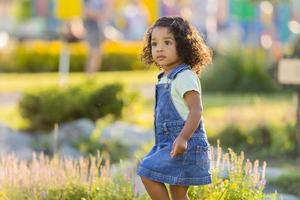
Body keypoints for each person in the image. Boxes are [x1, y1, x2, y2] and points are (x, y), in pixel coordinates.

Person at [137, 16, 213, 200]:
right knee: (178, 195)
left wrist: (183, 138)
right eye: (154, 44)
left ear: (183, 45)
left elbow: (196, 110)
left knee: (147, 172)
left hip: (185, 144)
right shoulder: (165, 78)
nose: (159, 48)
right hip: (170, 144)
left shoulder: (184, 76)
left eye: (167, 42)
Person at [83, 0, 107, 75]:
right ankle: (90, 74)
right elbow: (88, 12)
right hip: (91, 27)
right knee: (94, 51)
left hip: (99, 26)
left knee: (99, 52)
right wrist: (100, 15)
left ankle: (93, 74)